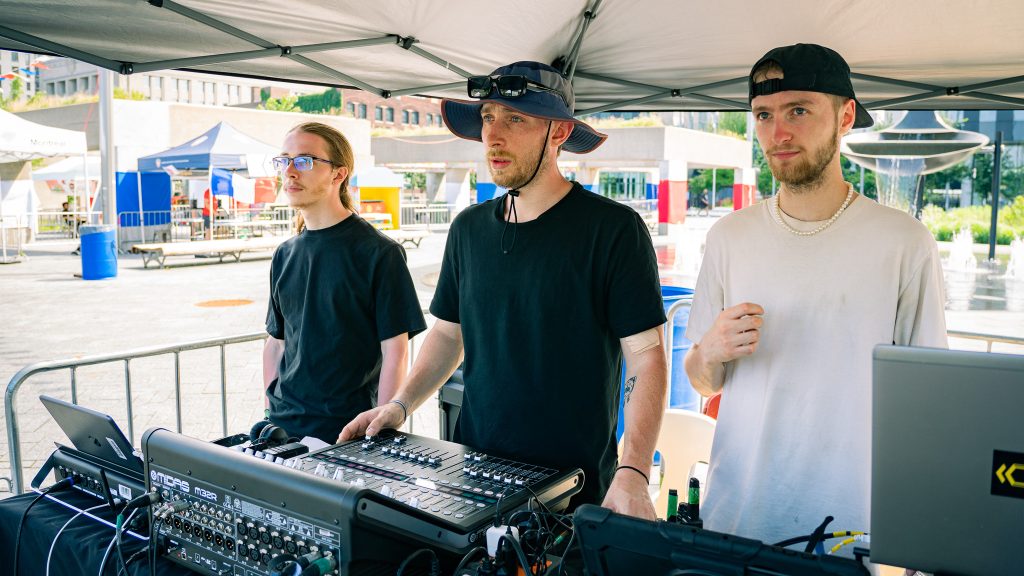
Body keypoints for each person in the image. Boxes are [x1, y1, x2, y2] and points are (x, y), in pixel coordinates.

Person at [340, 61, 669, 519]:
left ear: (558, 133)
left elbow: (646, 355)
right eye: (489, 117)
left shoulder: (613, 230)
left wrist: (633, 471)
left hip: (572, 490)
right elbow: (448, 335)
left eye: (516, 119)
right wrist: (399, 404)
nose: (493, 135)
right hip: (472, 476)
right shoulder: (468, 229)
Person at [683, 44, 948, 544]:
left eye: (798, 111)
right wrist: (710, 350)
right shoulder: (729, 237)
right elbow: (701, 381)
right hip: (735, 519)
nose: (777, 133)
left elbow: (927, 406)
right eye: (763, 115)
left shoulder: (903, 242)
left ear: (845, 116)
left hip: (851, 528)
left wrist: (923, 527)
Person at [262, 121, 426, 444]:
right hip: (282, 429)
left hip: (346, 433)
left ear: (338, 174)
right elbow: (275, 343)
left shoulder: (380, 253)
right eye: (284, 160)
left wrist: (380, 430)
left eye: (305, 161)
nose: (290, 171)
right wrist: (269, 408)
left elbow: (395, 351)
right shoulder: (284, 254)